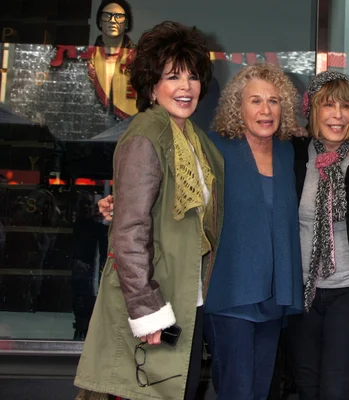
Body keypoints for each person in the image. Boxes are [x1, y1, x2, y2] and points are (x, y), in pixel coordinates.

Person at [74, 21, 223, 400]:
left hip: (187, 295)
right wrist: (147, 310)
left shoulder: (193, 138)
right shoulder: (147, 134)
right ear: (152, 85)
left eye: (192, 76)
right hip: (154, 303)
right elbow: (130, 230)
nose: (186, 87)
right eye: (173, 76)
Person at [203, 63, 304, 400]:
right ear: (237, 106)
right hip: (230, 294)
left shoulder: (288, 151)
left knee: (260, 391)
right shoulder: (214, 148)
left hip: (274, 297)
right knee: (237, 389)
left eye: (274, 101)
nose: (266, 110)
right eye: (256, 101)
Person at [287, 71, 349, 400]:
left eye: (346, 106)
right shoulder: (294, 156)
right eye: (328, 105)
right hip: (301, 291)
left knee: (337, 387)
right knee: (307, 385)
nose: (338, 115)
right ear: (312, 109)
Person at [89, 0, 137, 119]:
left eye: (119, 16)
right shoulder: (87, 59)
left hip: (129, 125)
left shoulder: (140, 59)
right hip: (94, 124)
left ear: (126, 23)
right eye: (107, 15)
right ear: (100, 22)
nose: (112, 20)